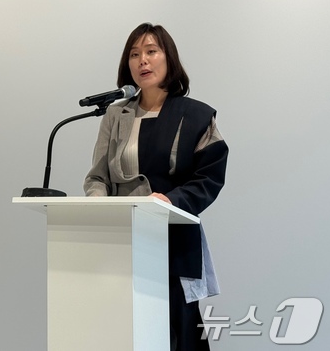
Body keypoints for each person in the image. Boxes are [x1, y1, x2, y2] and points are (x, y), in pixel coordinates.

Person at [83, 22, 228, 351]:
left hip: (171, 241)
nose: (142, 61)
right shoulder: (115, 115)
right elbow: (97, 177)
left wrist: (171, 200)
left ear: (169, 58)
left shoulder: (195, 115)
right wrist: (98, 204)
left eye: (151, 51)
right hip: (121, 242)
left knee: (175, 335)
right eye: (134, 54)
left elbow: (209, 177)